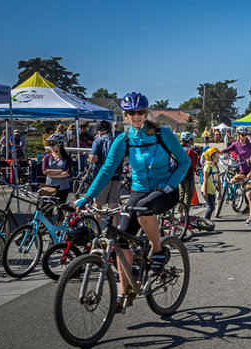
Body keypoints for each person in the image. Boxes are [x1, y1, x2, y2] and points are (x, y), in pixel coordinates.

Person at [74, 92, 190, 310]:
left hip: (164, 189)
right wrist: (86, 196)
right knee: (120, 240)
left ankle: (158, 251)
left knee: (145, 209)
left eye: (139, 112)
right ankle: (124, 293)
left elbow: (183, 162)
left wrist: (170, 184)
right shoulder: (124, 139)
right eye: (131, 113)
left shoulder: (162, 134)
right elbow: (106, 169)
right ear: (125, 115)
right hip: (138, 191)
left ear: (146, 113)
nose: (136, 116)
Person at [88, 121, 124, 226]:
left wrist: (90, 158)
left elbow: (94, 158)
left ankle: (97, 229)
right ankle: (114, 229)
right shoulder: (117, 141)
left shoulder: (98, 141)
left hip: (102, 176)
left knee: (98, 205)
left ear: (99, 131)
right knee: (114, 205)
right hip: (116, 176)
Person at [221, 126, 251, 214]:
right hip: (243, 169)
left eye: (246, 134)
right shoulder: (236, 144)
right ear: (238, 135)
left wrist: (250, 159)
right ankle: (248, 207)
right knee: (246, 190)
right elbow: (227, 150)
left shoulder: (250, 144)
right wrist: (217, 152)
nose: (244, 136)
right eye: (243, 134)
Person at [42, 134, 72, 202]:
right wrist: (61, 170)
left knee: (60, 210)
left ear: (59, 144)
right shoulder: (47, 157)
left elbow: (67, 173)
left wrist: (51, 174)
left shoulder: (67, 158)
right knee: (47, 210)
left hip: (63, 187)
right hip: (49, 187)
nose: (50, 146)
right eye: (49, 144)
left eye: (52, 144)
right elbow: (44, 171)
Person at [178, 131, 200, 210]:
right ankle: (185, 213)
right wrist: (196, 156)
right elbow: (193, 164)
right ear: (190, 140)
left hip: (180, 174)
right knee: (188, 194)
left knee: (181, 193)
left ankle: (180, 212)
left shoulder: (179, 149)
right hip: (188, 174)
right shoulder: (190, 151)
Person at [201, 147, 221, 220]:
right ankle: (205, 221)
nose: (218, 159)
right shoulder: (207, 167)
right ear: (210, 158)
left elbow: (218, 180)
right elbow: (205, 180)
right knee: (211, 207)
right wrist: (205, 192)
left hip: (212, 191)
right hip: (206, 191)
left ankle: (207, 222)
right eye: (216, 157)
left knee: (212, 207)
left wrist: (220, 192)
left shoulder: (216, 167)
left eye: (218, 157)